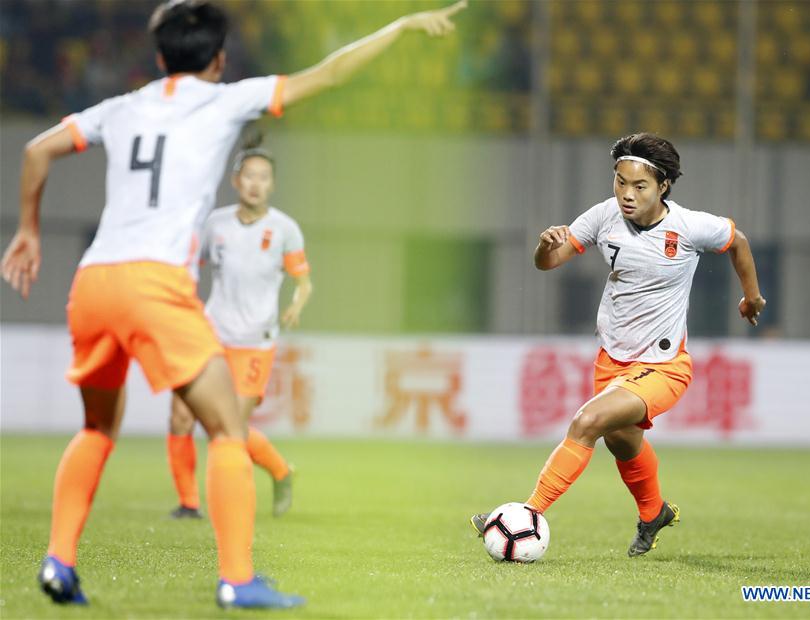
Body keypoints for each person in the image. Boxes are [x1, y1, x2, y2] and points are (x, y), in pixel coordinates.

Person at [1, 0, 466, 609]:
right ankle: (238, 579)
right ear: (219, 60)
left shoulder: (122, 107)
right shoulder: (225, 100)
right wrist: (399, 26)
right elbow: (327, 74)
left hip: (93, 281)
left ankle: (59, 562)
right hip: (155, 283)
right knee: (226, 429)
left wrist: (29, 230)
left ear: (160, 55)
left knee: (95, 427)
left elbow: (37, 150)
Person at [471, 133, 766, 557]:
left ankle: (525, 514)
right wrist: (544, 246)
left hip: (664, 366)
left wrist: (751, 296)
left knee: (587, 422)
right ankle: (654, 512)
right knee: (621, 442)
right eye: (620, 182)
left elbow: (737, 241)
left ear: (663, 186)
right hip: (611, 361)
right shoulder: (605, 216)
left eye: (639, 186)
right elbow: (549, 262)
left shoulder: (688, 227)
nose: (627, 194)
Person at [168, 137, 310, 520]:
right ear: (236, 180)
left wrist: (296, 304)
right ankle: (188, 504)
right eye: (249, 176)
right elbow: (188, 268)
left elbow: (303, 281)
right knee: (181, 416)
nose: (256, 183)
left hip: (254, 342)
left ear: (272, 185)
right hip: (211, 334)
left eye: (264, 177)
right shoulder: (215, 224)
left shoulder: (285, 230)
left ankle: (280, 472)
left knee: (231, 430)